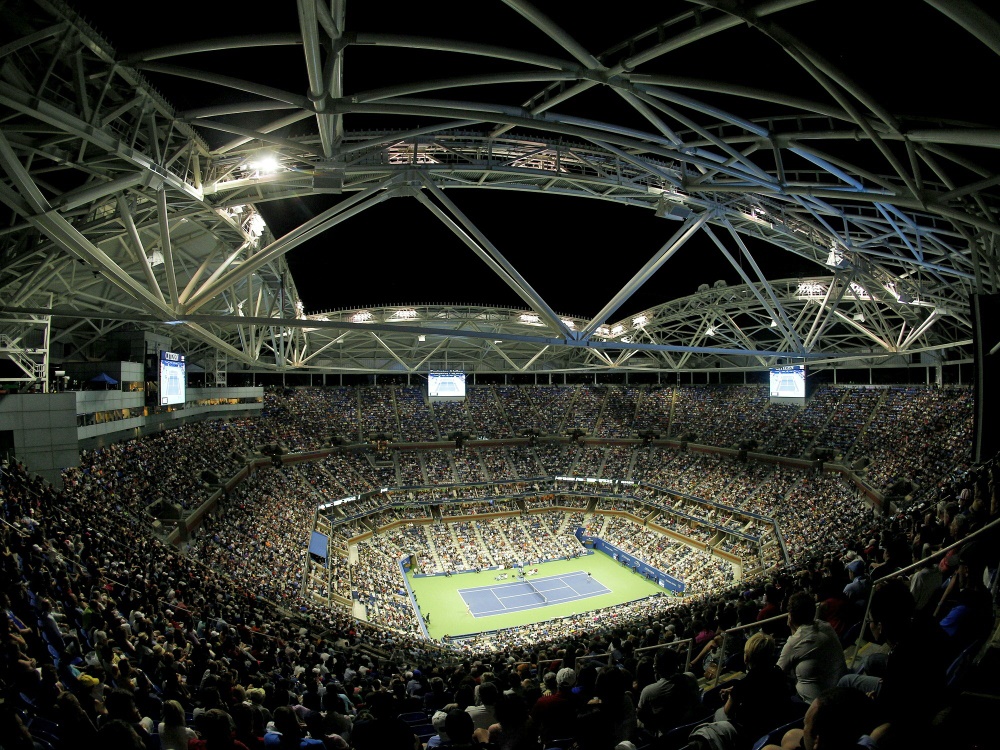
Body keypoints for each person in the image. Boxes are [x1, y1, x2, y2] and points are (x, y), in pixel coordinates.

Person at [777, 592, 847, 703]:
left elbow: (777, 673)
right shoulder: (826, 626)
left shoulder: (794, 643)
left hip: (816, 705)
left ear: (790, 616)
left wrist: (792, 629)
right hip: (840, 691)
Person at [636, 648, 700, 738]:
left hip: (669, 736)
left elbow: (640, 715)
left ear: (656, 667)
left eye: (655, 663)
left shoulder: (648, 691)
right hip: (692, 726)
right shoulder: (691, 677)